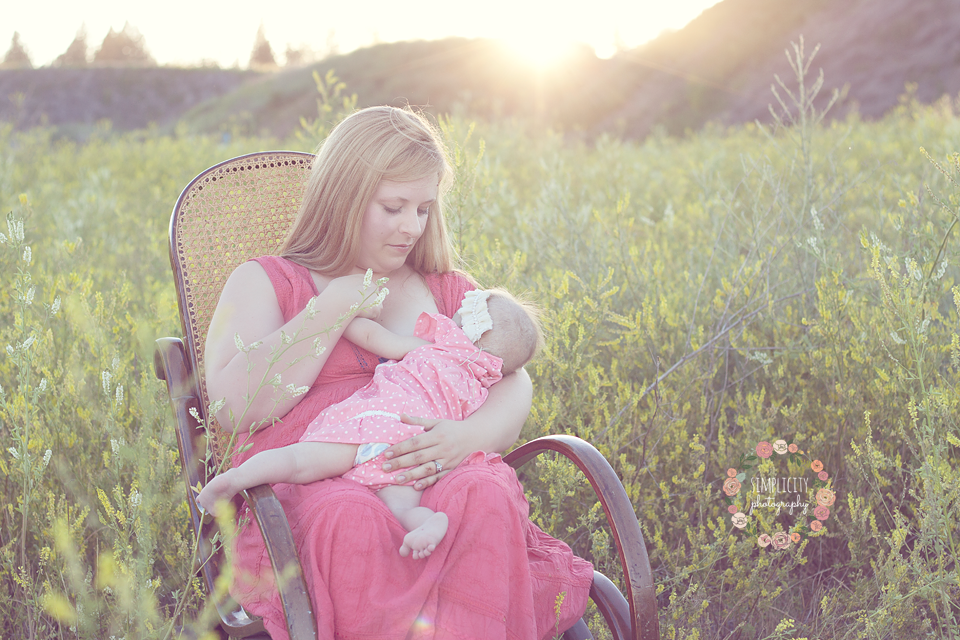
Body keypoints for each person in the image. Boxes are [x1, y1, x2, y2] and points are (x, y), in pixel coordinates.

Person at [203, 105, 593, 639]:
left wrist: (466, 438)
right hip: (312, 479)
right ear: (342, 198)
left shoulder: (445, 291)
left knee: (482, 490)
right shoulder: (269, 283)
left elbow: (510, 376)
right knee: (349, 516)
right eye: (393, 207)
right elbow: (233, 405)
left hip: (426, 474)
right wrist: (332, 307)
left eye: (424, 209)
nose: (411, 227)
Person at [197, 288, 542, 560]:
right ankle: (424, 524)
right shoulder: (483, 383)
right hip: (413, 450)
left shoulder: (435, 345)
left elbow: (376, 339)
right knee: (403, 506)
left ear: (465, 325)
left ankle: (234, 480)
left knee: (297, 461)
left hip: (376, 425)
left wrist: (346, 313)